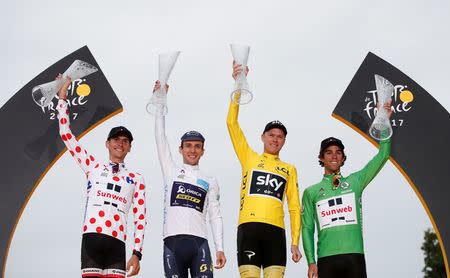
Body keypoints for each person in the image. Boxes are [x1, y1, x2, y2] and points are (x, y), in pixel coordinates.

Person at [56, 75, 146, 278]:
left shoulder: (136, 178)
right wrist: (62, 99)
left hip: (117, 243)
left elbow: (140, 217)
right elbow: (66, 135)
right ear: (107, 143)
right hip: (92, 239)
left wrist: (137, 253)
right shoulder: (92, 166)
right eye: (115, 139)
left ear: (130, 147)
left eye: (125, 141)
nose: (120, 144)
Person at [227, 62, 302, 278]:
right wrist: (238, 85)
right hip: (249, 229)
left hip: (276, 233)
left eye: (280, 136)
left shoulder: (289, 169)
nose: (275, 139)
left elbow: (295, 208)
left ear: (284, 141)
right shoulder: (249, 157)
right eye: (271, 135)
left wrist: (295, 242)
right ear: (263, 137)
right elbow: (232, 123)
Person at [301, 102, 392, 278]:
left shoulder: (356, 181)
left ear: (343, 158)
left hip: (354, 258)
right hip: (326, 260)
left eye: (338, 152)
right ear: (321, 158)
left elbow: (383, 155)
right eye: (328, 152)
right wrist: (311, 261)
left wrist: (383, 121)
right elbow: (307, 228)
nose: (334, 156)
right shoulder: (311, 192)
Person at [152, 81, 226, 278]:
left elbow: (215, 216)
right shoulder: (170, 170)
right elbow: (160, 137)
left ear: (203, 151)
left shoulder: (210, 180)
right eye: (188, 146)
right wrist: (160, 102)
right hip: (172, 244)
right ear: (180, 149)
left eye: (197, 146)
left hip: (200, 244)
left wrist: (220, 248)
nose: (192, 150)